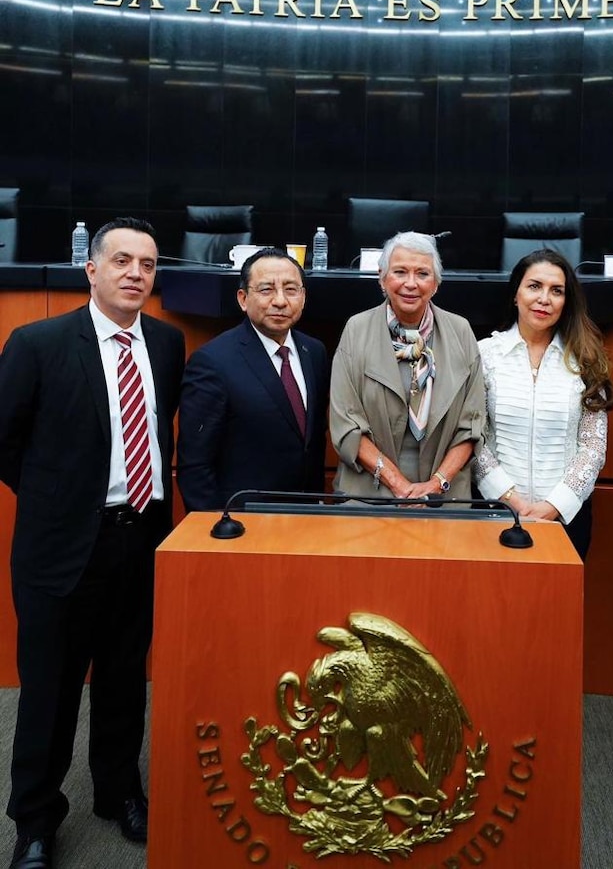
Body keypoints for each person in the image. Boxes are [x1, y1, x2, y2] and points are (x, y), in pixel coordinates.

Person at [0, 218, 185, 869]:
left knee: (123, 680)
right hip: (62, 548)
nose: (136, 273)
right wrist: (60, 501)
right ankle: (35, 822)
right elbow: (6, 441)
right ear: (93, 270)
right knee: (48, 689)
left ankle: (117, 793)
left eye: (149, 264)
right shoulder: (38, 342)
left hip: (140, 541)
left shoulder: (166, 343)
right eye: (123, 261)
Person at [473, 248, 613, 559]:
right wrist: (510, 500)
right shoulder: (483, 355)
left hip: (566, 516)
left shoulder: (586, 360)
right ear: (516, 294)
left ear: (567, 302)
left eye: (557, 291)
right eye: (534, 286)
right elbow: (473, 437)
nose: (544, 299)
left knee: (553, 606)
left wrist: (554, 506)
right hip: (494, 510)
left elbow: (593, 445)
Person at [330, 231, 484, 502]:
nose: (410, 283)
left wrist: (435, 485)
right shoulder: (357, 329)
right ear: (382, 278)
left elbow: (472, 426)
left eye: (423, 274)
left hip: (443, 499)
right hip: (368, 494)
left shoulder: (461, 331)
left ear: (436, 283)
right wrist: (399, 485)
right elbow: (346, 423)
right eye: (400, 272)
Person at [177, 247, 329, 510]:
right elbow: (195, 464)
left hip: (306, 516)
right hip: (242, 522)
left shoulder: (314, 352)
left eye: (291, 290)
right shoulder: (213, 361)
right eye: (267, 289)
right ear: (243, 299)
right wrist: (211, 528)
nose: (280, 301)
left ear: (303, 298)